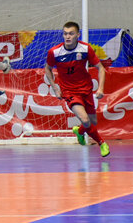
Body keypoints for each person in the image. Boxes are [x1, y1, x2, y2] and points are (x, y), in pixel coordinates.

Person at [44, 21, 109, 157]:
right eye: (65, 34)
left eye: (71, 34)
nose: (67, 37)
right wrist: (56, 89)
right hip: (69, 92)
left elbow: (101, 68)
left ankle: (78, 131)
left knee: (91, 123)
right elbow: (48, 69)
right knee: (85, 120)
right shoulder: (54, 52)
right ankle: (102, 143)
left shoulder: (85, 49)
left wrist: (101, 89)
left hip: (86, 90)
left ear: (77, 35)